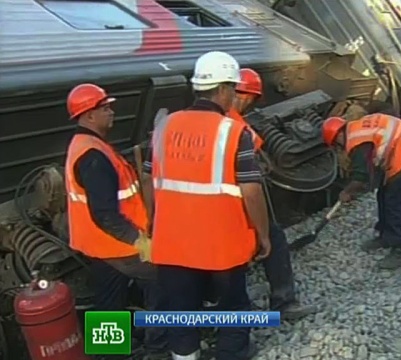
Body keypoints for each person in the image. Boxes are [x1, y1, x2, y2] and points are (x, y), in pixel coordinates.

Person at [151, 51, 269, 360]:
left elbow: (151, 179)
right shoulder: (233, 131)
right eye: (233, 88)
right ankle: (231, 354)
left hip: (173, 243)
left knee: (182, 310)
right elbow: (252, 192)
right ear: (222, 90)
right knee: (233, 306)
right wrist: (264, 234)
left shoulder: (165, 127)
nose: (235, 95)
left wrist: (154, 225)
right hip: (221, 245)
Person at [64, 84, 167, 358]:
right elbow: (105, 213)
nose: (111, 112)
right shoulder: (93, 157)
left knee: (109, 301)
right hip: (120, 246)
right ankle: (158, 348)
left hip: (99, 246)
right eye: (105, 108)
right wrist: (139, 240)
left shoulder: (87, 145)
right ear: (88, 116)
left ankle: (109, 353)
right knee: (163, 286)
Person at [227, 68, 318, 320]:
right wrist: (262, 230)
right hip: (235, 202)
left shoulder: (183, 122)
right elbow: (255, 175)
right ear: (245, 96)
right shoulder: (236, 123)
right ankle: (283, 302)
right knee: (273, 238)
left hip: (198, 208)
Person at [320, 105, 401, 269]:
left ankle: (397, 249)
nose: (340, 149)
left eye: (337, 145)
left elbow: (360, 176)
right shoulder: (356, 129)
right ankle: (385, 235)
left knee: (396, 201)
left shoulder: (356, 141)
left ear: (338, 135)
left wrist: (347, 192)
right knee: (383, 194)